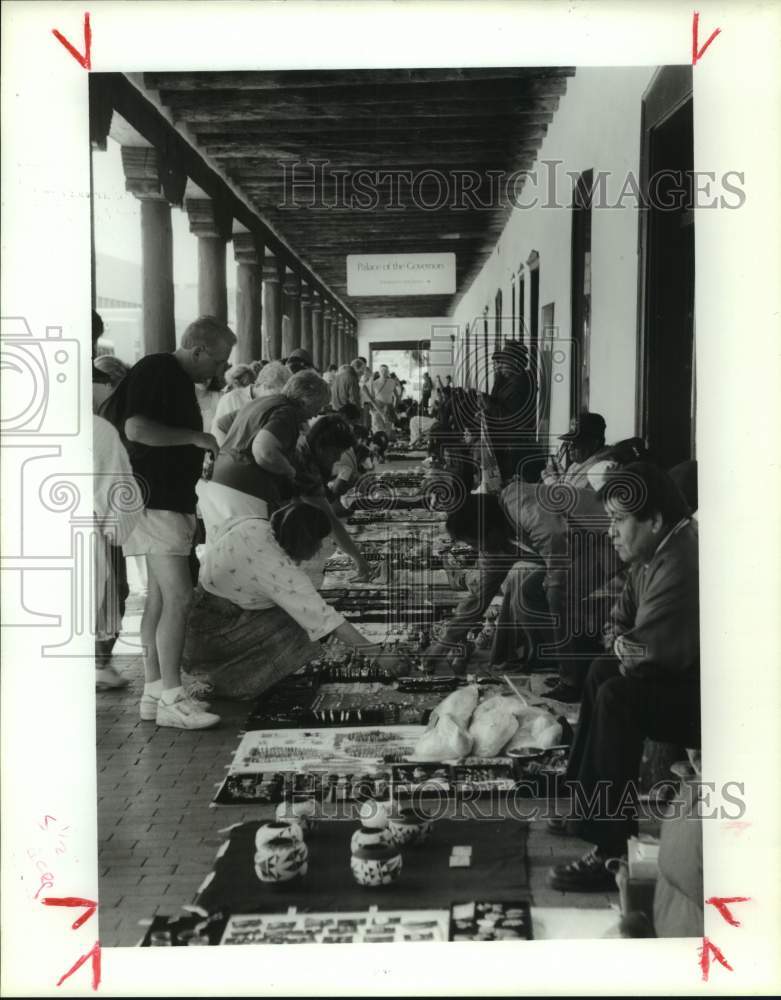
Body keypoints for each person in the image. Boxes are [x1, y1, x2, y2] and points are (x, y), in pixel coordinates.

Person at [547, 462, 699, 891]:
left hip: (710, 698)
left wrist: (622, 644)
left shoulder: (682, 561)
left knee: (618, 697)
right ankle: (586, 806)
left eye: (618, 521)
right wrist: (620, 643)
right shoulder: (652, 553)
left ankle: (612, 849)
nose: (611, 532)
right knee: (600, 671)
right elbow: (618, 622)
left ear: (653, 520)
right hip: (676, 674)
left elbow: (642, 653)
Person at [117, 315, 236, 729]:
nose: (220, 371)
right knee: (180, 597)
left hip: (158, 500)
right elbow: (136, 428)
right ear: (198, 349)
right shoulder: (159, 369)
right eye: (218, 361)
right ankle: (171, 696)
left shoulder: (166, 374)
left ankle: (154, 691)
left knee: (160, 598)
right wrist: (194, 438)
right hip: (156, 501)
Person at [182, 500, 408, 698]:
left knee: (299, 612)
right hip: (210, 636)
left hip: (197, 622)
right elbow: (326, 619)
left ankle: (222, 672)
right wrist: (379, 656)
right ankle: (233, 681)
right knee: (300, 625)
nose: (321, 548)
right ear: (306, 539)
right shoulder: (278, 567)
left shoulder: (255, 524)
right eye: (319, 542)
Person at [421, 494, 522, 673]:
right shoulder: (490, 548)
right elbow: (478, 600)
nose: (475, 549)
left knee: (522, 579)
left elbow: (560, 572)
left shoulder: (528, 516)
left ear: (487, 530)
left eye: (474, 542)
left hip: (578, 563)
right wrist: (442, 645)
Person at [486, 341, 537, 483]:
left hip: (514, 447)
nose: (500, 365)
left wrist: (487, 404)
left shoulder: (520, 382)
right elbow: (496, 401)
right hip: (507, 444)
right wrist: (498, 379)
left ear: (514, 362)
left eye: (503, 362)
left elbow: (509, 419)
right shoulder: (509, 381)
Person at [211, 359, 291, 447]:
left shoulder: (274, 405)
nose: (278, 400)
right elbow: (217, 435)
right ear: (264, 386)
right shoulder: (231, 399)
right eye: (276, 395)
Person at [370, 363, 397, 434]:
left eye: (385, 371)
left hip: (383, 407)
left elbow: (371, 398)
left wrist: (394, 407)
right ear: (379, 372)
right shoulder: (375, 383)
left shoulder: (375, 383)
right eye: (382, 370)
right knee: (383, 427)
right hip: (381, 407)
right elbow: (397, 396)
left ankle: (384, 441)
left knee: (382, 428)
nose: (384, 372)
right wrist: (394, 407)